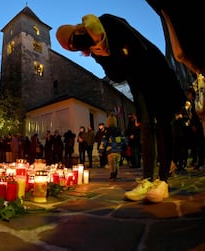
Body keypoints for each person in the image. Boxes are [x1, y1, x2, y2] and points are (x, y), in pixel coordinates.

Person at [56, 13, 186, 203]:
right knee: (147, 126)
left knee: (163, 121)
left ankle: (163, 180)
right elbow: (116, 76)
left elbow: (135, 47)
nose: (75, 47)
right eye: (71, 49)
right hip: (137, 82)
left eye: (73, 42)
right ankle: (148, 180)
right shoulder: (94, 50)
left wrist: (104, 42)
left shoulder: (106, 21)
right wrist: (103, 53)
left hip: (154, 69)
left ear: (76, 30)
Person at [99, 113, 126, 181]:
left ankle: (112, 175)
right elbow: (123, 140)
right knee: (116, 163)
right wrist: (123, 146)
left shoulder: (107, 131)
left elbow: (104, 141)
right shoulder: (119, 130)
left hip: (110, 149)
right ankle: (115, 175)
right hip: (118, 150)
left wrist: (101, 150)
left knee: (111, 163)